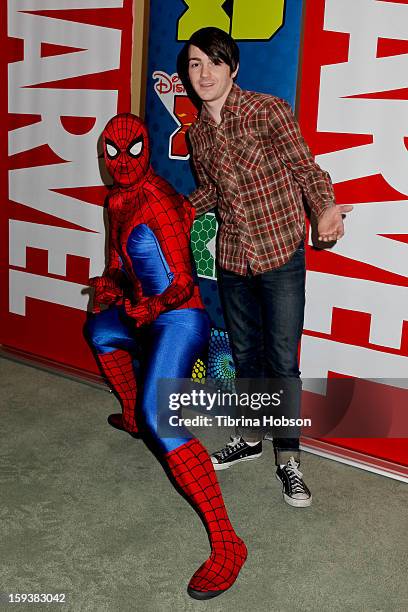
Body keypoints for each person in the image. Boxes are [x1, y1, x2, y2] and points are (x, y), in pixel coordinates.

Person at [181, 27, 353, 507]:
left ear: (233, 68)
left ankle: (288, 459)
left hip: (279, 254)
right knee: (246, 359)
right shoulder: (197, 134)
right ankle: (252, 441)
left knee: (282, 363)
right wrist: (172, 213)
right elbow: (213, 192)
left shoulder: (267, 110)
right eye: (196, 64)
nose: (205, 73)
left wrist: (324, 209)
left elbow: (306, 169)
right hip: (233, 258)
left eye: (215, 62)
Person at [85, 113, 247, 599]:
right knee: (98, 330)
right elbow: (118, 266)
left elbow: (181, 284)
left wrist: (147, 307)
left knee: (166, 421)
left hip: (180, 318)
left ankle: (228, 543)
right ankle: (135, 417)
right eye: (111, 153)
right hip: (145, 313)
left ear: (148, 148)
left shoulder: (156, 200)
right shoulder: (115, 199)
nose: (122, 162)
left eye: (131, 150)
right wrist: (109, 288)